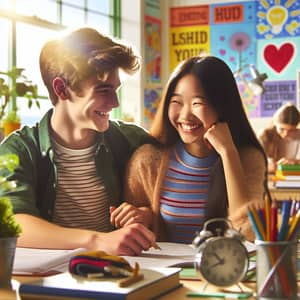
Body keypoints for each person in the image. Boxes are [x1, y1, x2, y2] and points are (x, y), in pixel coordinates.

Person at [0, 27, 157, 256]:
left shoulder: (129, 139)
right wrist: (97, 241)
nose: (114, 102)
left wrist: (147, 214)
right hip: (48, 279)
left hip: (118, 272)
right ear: (61, 89)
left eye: (116, 90)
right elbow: (15, 224)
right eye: (103, 90)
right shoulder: (18, 150)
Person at [111, 55, 267, 242]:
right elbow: (135, 231)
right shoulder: (147, 160)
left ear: (222, 106)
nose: (185, 115)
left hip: (229, 269)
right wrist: (144, 216)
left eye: (197, 103)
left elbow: (247, 234)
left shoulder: (248, 158)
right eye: (176, 102)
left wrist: (228, 153)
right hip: (168, 271)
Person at [258, 102, 300, 174]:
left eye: (291, 130)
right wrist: (268, 166)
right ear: (275, 124)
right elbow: (256, 165)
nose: (285, 134)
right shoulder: (265, 135)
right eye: (282, 129)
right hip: (272, 178)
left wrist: (297, 162)